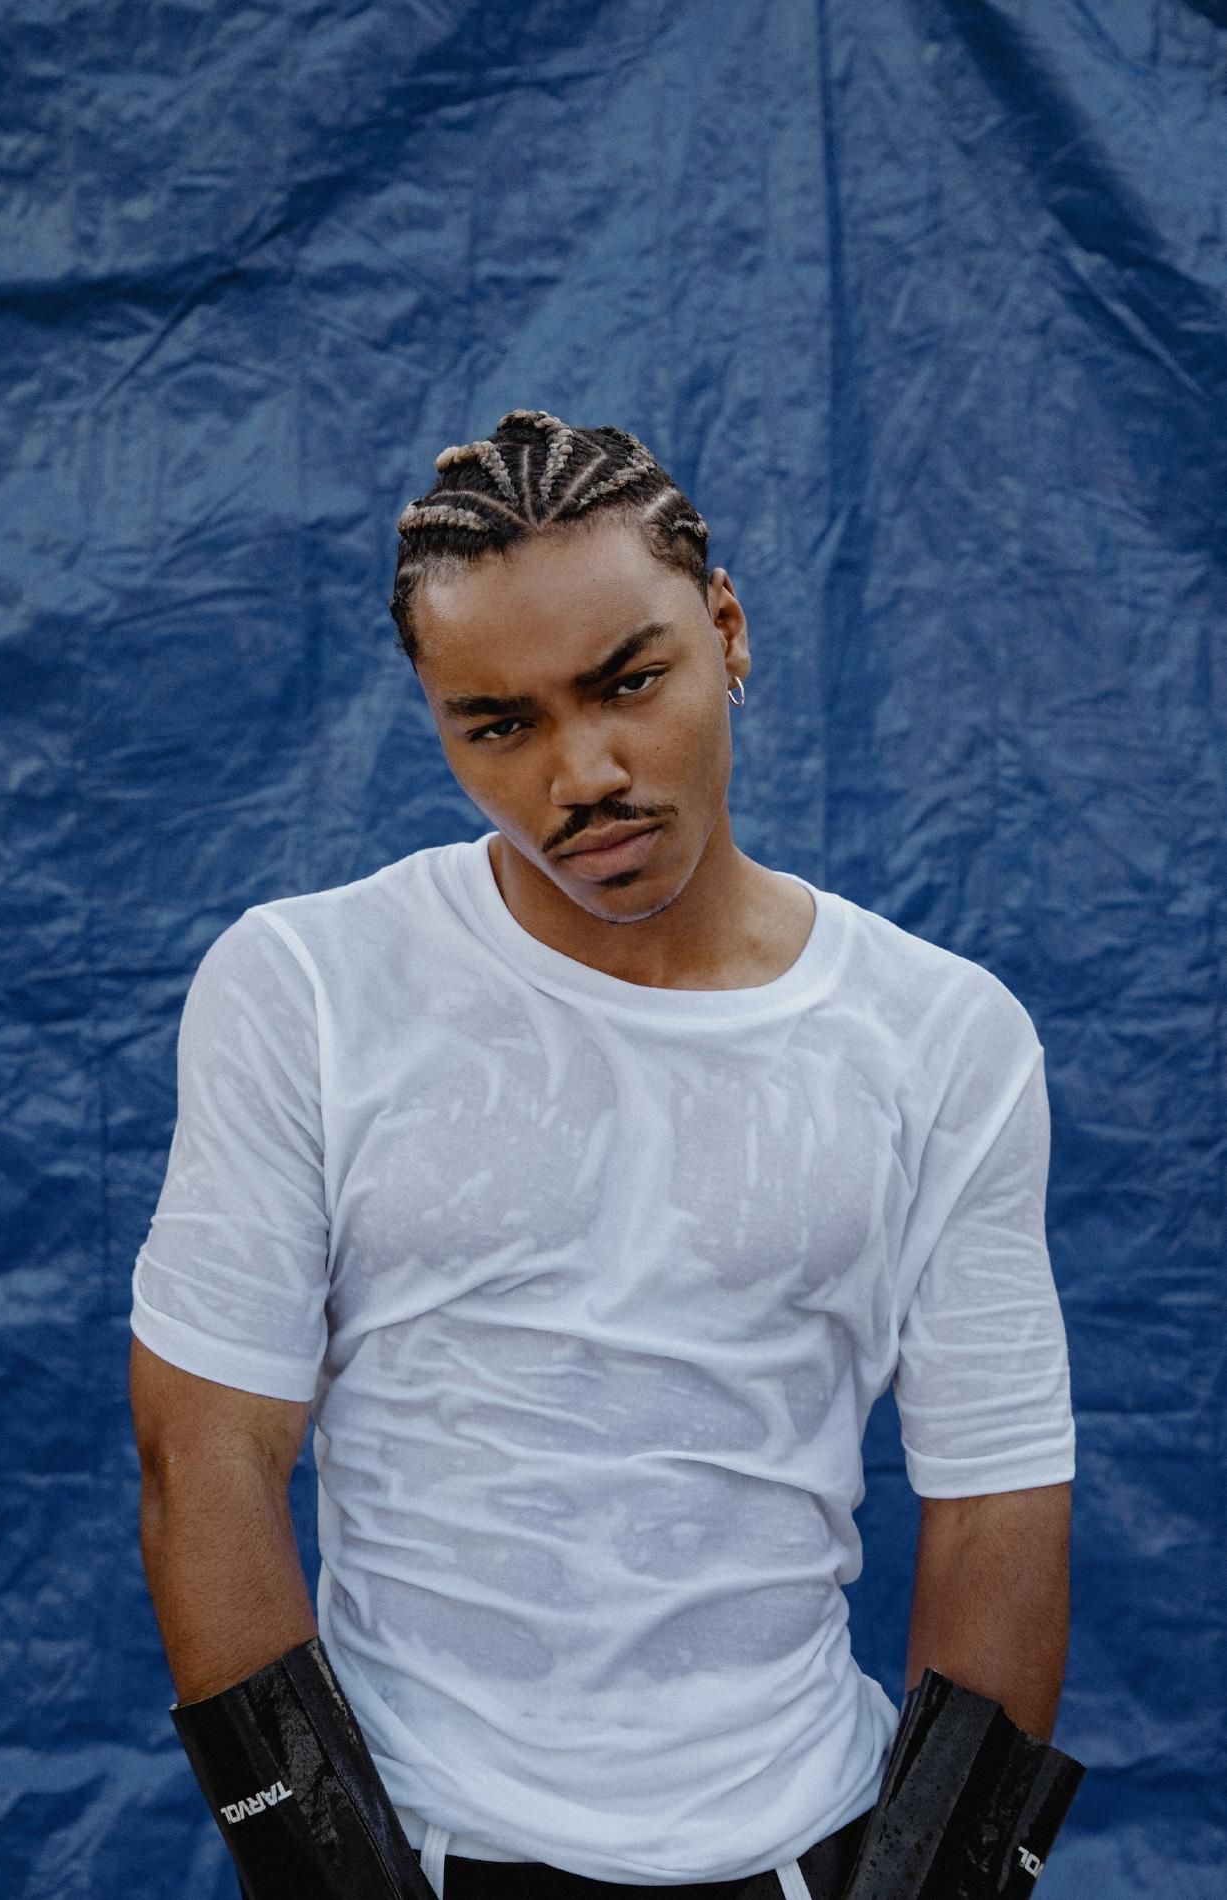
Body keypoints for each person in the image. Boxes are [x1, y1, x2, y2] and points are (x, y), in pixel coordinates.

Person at [129, 409, 1076, 1900]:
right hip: (421, 1853)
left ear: (726, 630)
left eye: (630, 682)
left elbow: (998, 1505)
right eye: (498, 725)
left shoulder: (941, 1036)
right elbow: (207, 1457)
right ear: (439, 721)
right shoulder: (306, 985)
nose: (583, 773)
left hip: (804, 1846)